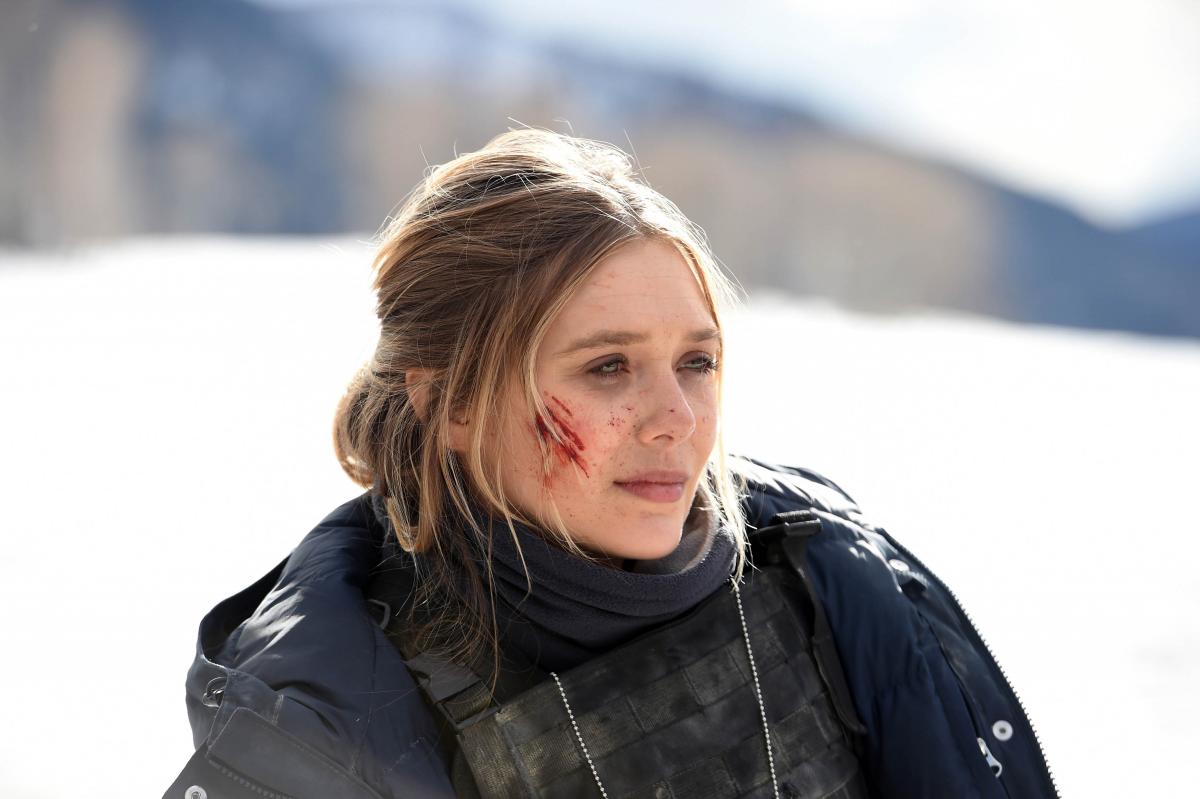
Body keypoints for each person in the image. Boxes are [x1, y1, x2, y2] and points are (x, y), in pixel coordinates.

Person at [164, 129, 1057, 799]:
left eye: (697, 361)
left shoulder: (825, 567)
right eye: (607, 367)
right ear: (451, 403)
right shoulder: (323, 716)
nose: (678, 419)